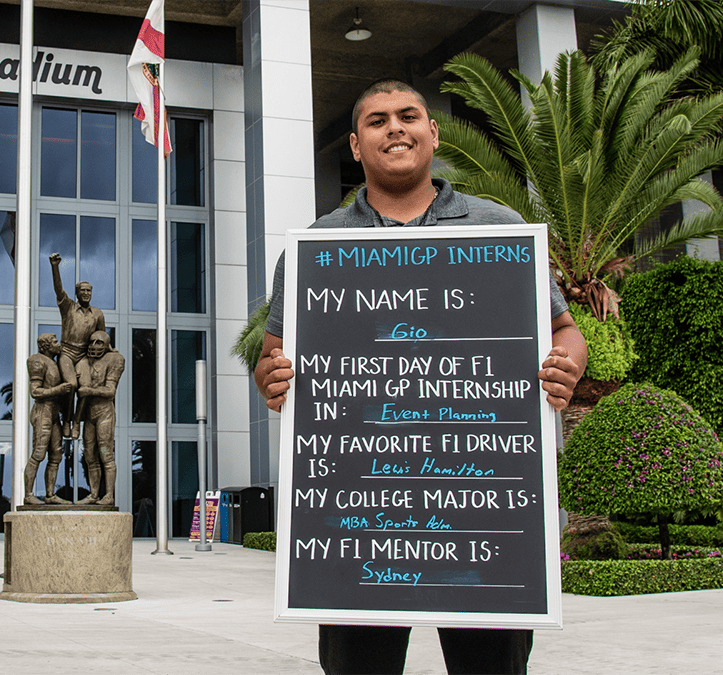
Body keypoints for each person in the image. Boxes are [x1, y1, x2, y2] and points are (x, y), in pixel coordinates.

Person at [253, 79, 588, 675]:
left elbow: (565, 333)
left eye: (409, 116)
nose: (396, 128)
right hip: (359, 518)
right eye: (377, 121)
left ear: (433, 133)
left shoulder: (499, 229)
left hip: (479, 509)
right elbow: (272, 354)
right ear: (356, 146)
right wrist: (272, 378)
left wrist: (567, 367)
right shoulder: (320, 245)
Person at [49, 252, 106, 438]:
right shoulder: (68, 307)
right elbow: (58, 289)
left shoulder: (97, 314)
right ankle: (66, 419)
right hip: (66, 352)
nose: (86, 293)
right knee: (71, 384)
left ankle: (76, 422)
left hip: (83, 355)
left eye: (89, 291)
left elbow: (102, 336)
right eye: (83, 291)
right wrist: (55, 266)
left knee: (85, 387)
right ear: (77, 293)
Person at [73, 330, 124, 506]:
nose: (94, 346)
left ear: (106, 344)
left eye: (99, 342)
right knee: (89, 455)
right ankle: (94, 494)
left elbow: (110, 391)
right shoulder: (83, 362)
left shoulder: (115, 359)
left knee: (105, 453)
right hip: (89, 413)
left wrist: (90, 391)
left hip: (104, 411)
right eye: (92, 341)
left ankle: (109, 495)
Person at [23, 333, 71, 505]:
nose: (58, 345)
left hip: (54, 412)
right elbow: (35, 391)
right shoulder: (36, 360)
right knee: (38, 454)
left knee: (56, 454)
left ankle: (50, 495)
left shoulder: (56, 362)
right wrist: (58, 390)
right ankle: (28, 495)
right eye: (54, 342)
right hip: (42, 409)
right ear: (44, 346)